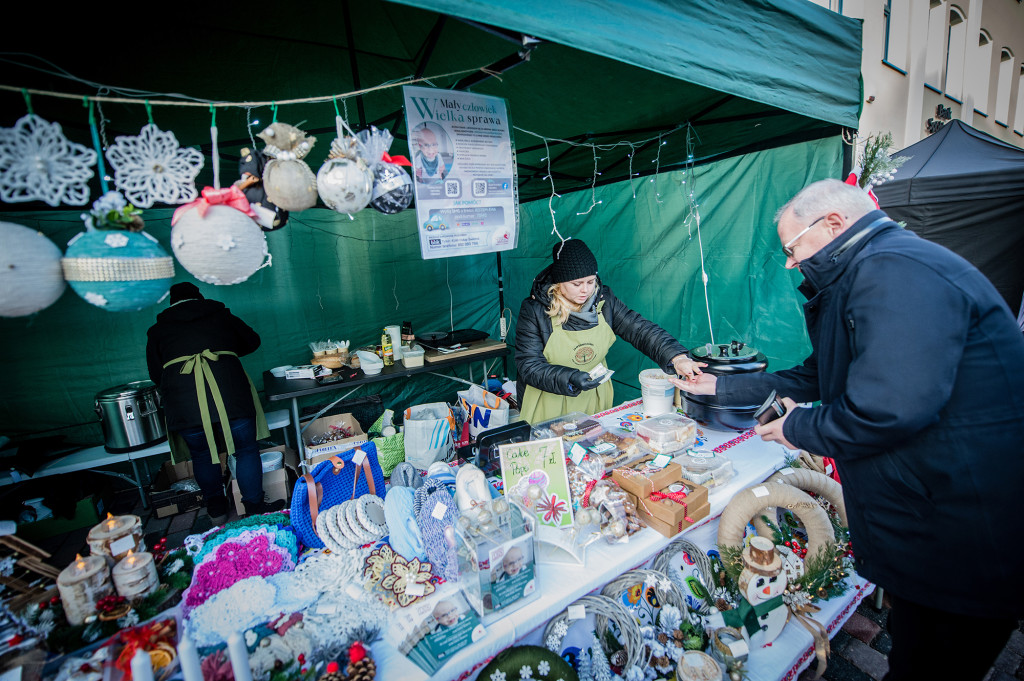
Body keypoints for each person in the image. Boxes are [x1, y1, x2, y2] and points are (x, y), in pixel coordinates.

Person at [671, 179, 1024, 681]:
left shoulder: (895, 272)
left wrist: (801, 426)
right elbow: (818, 373)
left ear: (834, 224)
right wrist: (721, 389)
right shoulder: (872, 272)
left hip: (963, 534)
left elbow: (888, 408)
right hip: (935, 526)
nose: (793, 264)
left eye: (794, 249)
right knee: (913, 651)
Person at [516, 238, 703, 423]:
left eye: (590, 282)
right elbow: (529, 365)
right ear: (559, 282)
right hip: (549, 399)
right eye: (577, 284)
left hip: (594, 394)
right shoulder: (535, 310)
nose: (586, 290)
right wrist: (570, 377)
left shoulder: (604, 301)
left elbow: (640, 330)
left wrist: (676, 357)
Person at [146, 283, 282, 523]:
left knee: (201, 454)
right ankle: (254, 508)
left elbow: (156, 374)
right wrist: (224, 350)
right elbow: (252, 341)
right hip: (230, 391)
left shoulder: (158, 330)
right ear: (199, 298)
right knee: (246, 449)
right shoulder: (221, 315)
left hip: (184, 401)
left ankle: (216, 510)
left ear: (171, 303)